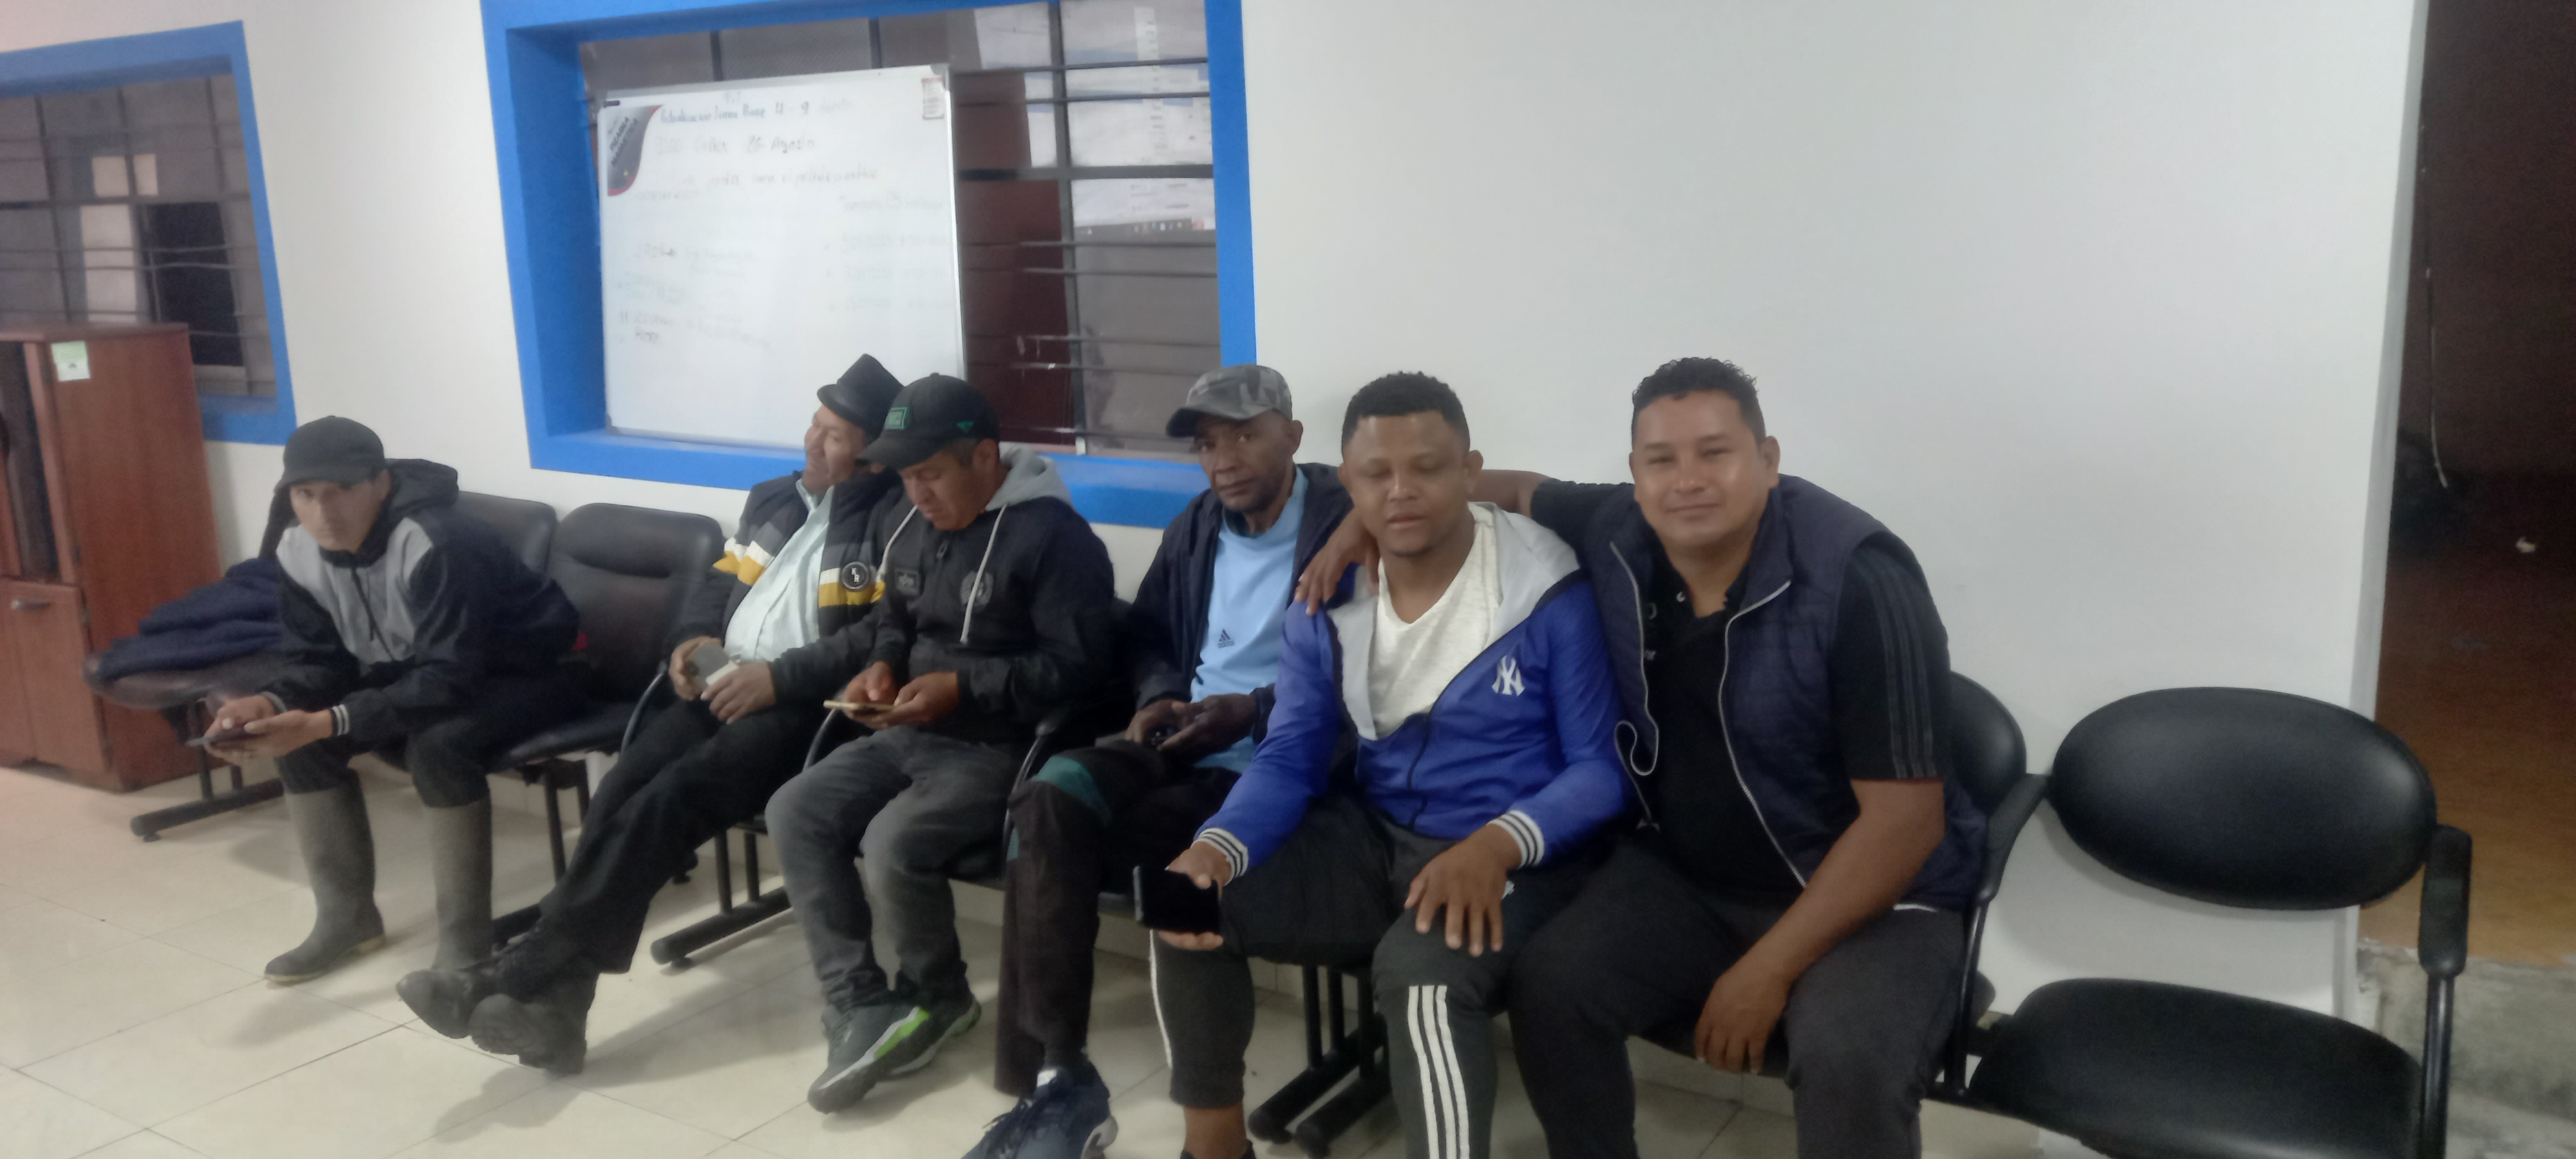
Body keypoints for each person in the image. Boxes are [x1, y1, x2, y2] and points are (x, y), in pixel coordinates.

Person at [1296, 357, 1986, 1159]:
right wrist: (1364, 523)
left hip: (1875, 895)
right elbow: (1505, 488)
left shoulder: (1857, 580)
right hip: (1693, 878)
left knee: (1847, 1056)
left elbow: (1904, 825)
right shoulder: (1620, 530)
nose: (1686, 480)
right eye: (1661, 459)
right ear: (1635, 474)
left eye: (1714, 452)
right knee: (1554, 986)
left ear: (1767, 460)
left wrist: (1766, 970)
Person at [1155, 373, 1628, 1159]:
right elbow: (1290, 757)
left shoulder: (1542, 586)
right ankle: (1214, 1149)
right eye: (1376, 473)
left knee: (1423, 982)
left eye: (1427, 468)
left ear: (1470, 472)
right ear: (1348, 482)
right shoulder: (1326, 597)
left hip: (1516, 855)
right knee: (1184, 904)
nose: (1400, 491)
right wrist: (1217, 847)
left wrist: (1496, 845)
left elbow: (1600, 770)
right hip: (1375, 836)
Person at [438, 355, 907, 1073]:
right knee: (622, 789)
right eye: (815, 425)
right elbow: (717, 586)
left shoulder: (893, 521)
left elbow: (875, 637)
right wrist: (690, 641)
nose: (813, 443)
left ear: (872, 457)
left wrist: (776, 679)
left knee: (672, 798)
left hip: (804, 713)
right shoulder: (773, 501)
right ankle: (557, 1009)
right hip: (722, 683)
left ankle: (520, 971)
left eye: (836, 436)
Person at [962, 366, 1352, 1159]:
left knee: (1118, 856)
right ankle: (1059, 1080)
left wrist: (1252, 710)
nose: (1223, 460)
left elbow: (1373, 666)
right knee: (1047, 800)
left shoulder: (1346, 521)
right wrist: (1161, 694)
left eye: (1244, 435)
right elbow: (1145, 635)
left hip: (1276, 766)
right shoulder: (1197, 526)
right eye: (1207, 444)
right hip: (1185, 745)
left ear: (1291, 435)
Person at [766, 374, 1120, 1115]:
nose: (916, 493)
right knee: (795, 809)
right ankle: (858, 1001)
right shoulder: (909, 520)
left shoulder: (1056, 540)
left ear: (984, 457)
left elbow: (1078, 671)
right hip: (908, 728)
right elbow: (893, 618)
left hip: (1001, 748)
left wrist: (962, 688)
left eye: (930, 474)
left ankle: (937, 995)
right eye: (905, 476)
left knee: (893, 842)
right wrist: (882, 665)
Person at [207, 417, 583, 988]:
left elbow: (451, 676)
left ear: (380, 485)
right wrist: (269, 701)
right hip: (426, 674)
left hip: (535, 672)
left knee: (439, 746)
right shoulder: (297, 548)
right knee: (301, 744)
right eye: (305, 495)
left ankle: (465, 943)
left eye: (341, 491)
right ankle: (347, 920)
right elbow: (320, 661)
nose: (323, 512)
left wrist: (331, 719)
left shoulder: (439, 540)